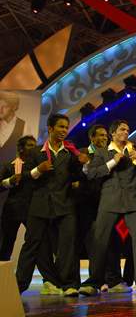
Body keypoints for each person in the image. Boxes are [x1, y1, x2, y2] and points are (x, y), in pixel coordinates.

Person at [79, 120, 136, 296]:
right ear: (113, 133)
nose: (126, 132)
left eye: (128, 129)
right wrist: (112, 162)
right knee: (99, 241)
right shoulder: (103, 152)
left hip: (134, 201)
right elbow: (92, 173)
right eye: (122, 129)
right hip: (110, 200)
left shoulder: (135, 150)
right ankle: (95, 282)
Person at [16, 113, 89, 296]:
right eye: (61, 127)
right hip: (40, 205)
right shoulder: (35, 152)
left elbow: (78, 176)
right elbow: (23, 179)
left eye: (66, 127)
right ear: (50, 128)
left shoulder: (71, 153)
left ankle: (68, 284)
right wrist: (37, 170)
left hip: (65, 205)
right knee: (32, 245)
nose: (64, 130)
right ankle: (18, 286)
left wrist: (84, 165)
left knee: (67, 245)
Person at [0, 135, 62, 295]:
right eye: (29, 145)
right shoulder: (9, 166)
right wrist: (9, 181)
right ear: (20, 148)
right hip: (12, 211)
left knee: (40, 244)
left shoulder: (38, 165)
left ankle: (48, 281)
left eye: (35, 145)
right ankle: (3, 280)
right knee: (5, 244)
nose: (33, 148)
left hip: (32, 209)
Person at [0, 91, 33, 160]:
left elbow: (28, 153)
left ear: (14, 107)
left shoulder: (24, 126)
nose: (0, 110)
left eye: (5, 107)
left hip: (12, 169)